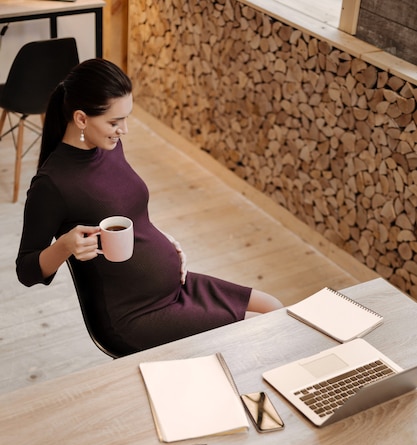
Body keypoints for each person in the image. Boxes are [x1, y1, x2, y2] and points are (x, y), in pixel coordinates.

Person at [16, 58, 282, 356]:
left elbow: (129, 209)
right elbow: (26, 270)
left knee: (275, 309)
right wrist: (65, 245)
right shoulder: (52, 184)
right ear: (81, 119)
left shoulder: (109, 147)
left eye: (126, 118)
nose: (124, 130)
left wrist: (165, 241)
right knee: (258, 331)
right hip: (133, 315)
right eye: (115, 122)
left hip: (173, 286)